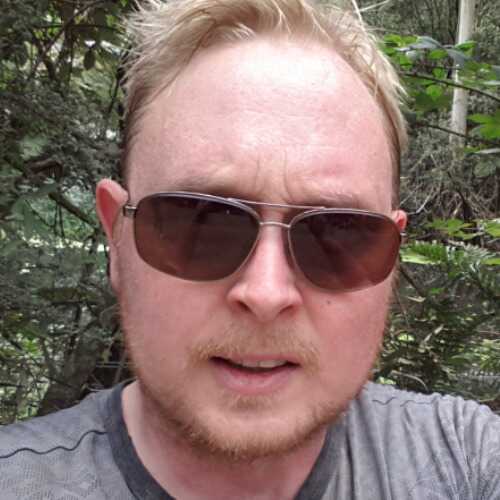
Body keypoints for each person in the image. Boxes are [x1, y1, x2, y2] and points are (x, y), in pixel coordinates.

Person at [1, 0, 499, 498]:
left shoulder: (465, 460)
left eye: (338, 232)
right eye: (201, 223)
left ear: (391, 255)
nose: (266, 294)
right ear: (117, 238)